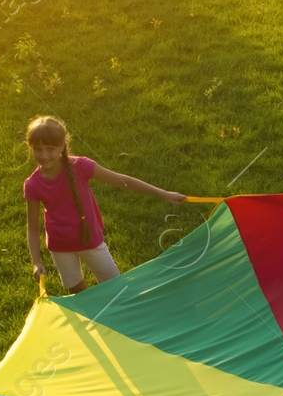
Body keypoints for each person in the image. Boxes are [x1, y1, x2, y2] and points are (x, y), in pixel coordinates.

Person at [23, 115, 186, 294]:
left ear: (62, 146)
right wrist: (36, 261)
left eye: (50, 148)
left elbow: (122, 181)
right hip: (60, 246)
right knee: (78, 293)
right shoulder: (32, 184)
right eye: (38, 149)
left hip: (90, 240)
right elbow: (33, 228)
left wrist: (162, 193)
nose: (44, 155)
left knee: (116, 289)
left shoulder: (81, 166)